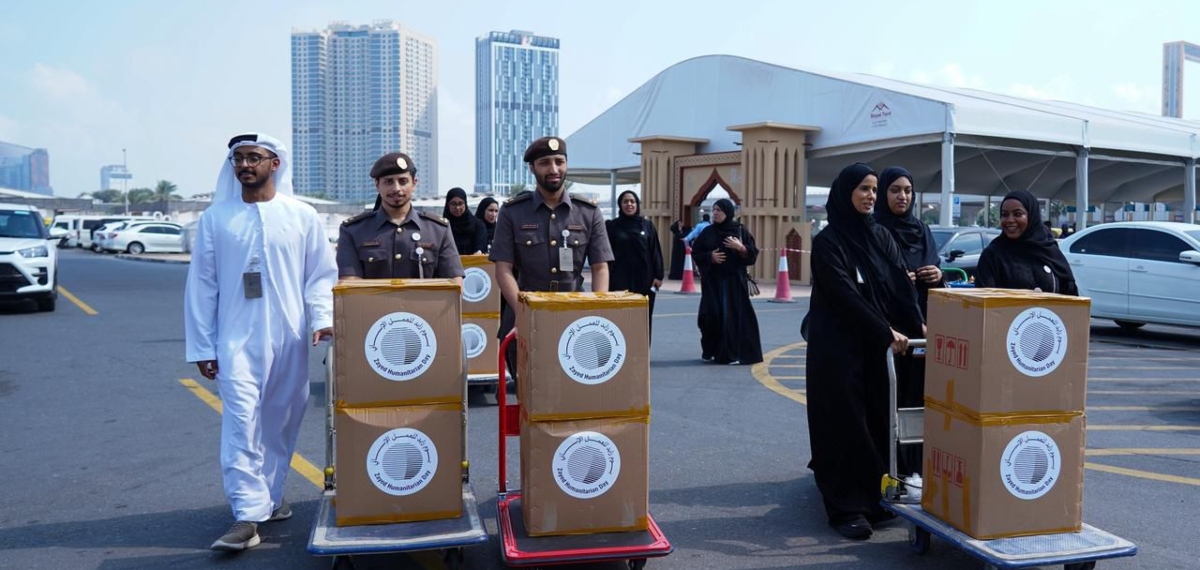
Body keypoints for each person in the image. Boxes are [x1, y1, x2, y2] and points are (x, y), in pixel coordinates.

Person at [184, 132, 338, 551]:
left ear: (275, 163)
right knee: (241, 422)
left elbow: (320, 276)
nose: (245, 165)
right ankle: (247, 514)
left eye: (254, 157)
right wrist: (203, 346)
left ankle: (269, 494)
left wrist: (322, 319)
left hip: (289, 339)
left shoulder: (302, 216)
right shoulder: (216, 219)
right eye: (238, 158)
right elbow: (202, 286)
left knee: (281, 420)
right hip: (236, 338)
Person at [804, 163, 924, 540]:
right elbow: (844, 295)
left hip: (875, 348)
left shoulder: (881, 236)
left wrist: (918, 324)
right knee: (844, 423)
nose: (871, 196)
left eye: (874, 189)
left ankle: (873, 498)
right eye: (864, 189)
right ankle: (845, 507)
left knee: (875, 419)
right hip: (837, 349)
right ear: (845, 193)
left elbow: (898, 286)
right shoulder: (828, 243)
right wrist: (884, 330)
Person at [489, 136, 614, 378]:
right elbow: (503, 269)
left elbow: (600, 267)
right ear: (532, 168)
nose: (554, 169)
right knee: (529, 397)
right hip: (524, 314)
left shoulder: (588, 212)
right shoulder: (512, 212)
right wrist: (524, 313)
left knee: (573, 397)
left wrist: (599, 312)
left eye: (559, 161)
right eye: (545, 163)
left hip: (575, 315)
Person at [336, 152, 464, 282]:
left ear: (414, 184)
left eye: (403, 181)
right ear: (377, 185)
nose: (396, 188)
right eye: (389, 182)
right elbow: (349, 284)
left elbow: (453, 283)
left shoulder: (438, 230)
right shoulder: (354, 231)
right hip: (373, 303)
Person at [690, 199, 763, 365]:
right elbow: (696, 252)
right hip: (712, 283)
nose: (716, 213)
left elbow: (752, 255)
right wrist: (710, 257)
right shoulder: (708, 232)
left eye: (720, 210)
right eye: (714, 209)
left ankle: (732, 354)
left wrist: (741, 248)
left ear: (728, 212)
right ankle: (713, 350)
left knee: (734, 318)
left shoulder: (740, 230)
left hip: (734, 284)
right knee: (710, 317)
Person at [976, 189, 1078, 295]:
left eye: (1017, 214)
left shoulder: (1050, 252)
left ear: (1031, 216)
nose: (1010, 220)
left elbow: (1070, 295)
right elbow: (984, 302)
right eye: (1005, 214)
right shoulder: (993, 255)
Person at [872, 166, 942, 317]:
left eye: (907, 191)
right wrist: (894, 281)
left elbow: (935, 264)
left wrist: (938, 275)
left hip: (924, 315)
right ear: (883, 193)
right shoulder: (872, 229)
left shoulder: (922, 229)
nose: (902, 196)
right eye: (895, 190)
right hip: (887, 318)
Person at [605, 190, 664, 339]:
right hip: (618, 279)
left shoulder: (647, 226)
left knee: (643, 317)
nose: (629, 204)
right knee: (619, 317)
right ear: (620, 205)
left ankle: (642, 354)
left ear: (637, 204)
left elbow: (655, 250)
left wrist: (659, 275)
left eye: (632, 201)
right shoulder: (612, 226)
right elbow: (605, 253)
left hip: (644, 280)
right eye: (625, 201)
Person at [443, 187, 488, 255]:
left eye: (460, 203)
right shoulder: (443, 226)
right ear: (448, 205)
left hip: (473, 264)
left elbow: (480, 247)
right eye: (453, 204)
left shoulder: (478, 225)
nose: (457, 207)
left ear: (465, 204)